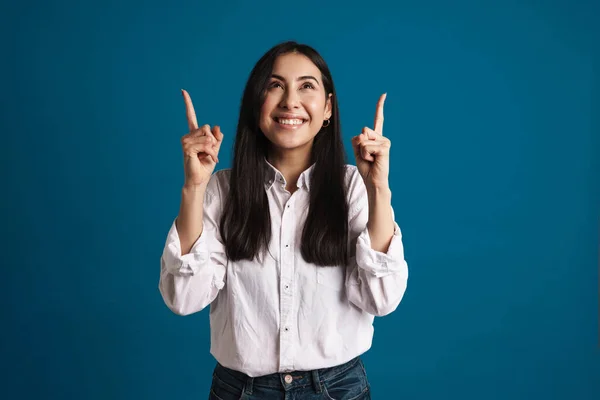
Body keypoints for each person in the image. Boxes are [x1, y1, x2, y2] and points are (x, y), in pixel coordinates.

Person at [159, 41, 409, 400]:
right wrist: (194, 187)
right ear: (255, 105)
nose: (290, 100)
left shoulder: (354, 186)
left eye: (307, 86)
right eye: (275, 85)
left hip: (337, 390)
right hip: (240, 391)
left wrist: (378, 189)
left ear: (327, 108)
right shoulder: (222, 190)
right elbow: (182, 299)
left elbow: (382, 300)